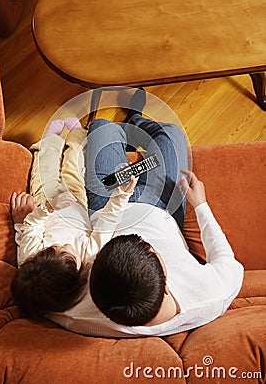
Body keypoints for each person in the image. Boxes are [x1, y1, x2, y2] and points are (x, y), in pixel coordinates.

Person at [45, 89, 244, 338]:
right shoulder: (213, 293)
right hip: (163, 208)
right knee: (171, 133)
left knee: (102, 127)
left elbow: (39, 293)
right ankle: (136, 120)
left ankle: (127, 129)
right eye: (149, 247)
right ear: (167, 287)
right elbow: (225, 256)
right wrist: (201, 205)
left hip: (106, 204)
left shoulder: (79, 313)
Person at [11, 117, 138, 316]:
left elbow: (32, 225)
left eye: (54, 248)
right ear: (77, 277)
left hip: (47, 199)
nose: (64, 245)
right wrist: (121, 194)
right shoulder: (90, 256)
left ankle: (49, 140)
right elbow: (106, 223)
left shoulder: (31, 257)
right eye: (67, 252)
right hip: (78, 201)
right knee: (75, 165)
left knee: (45, 165)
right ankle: (77, 135)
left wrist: (49, 207)